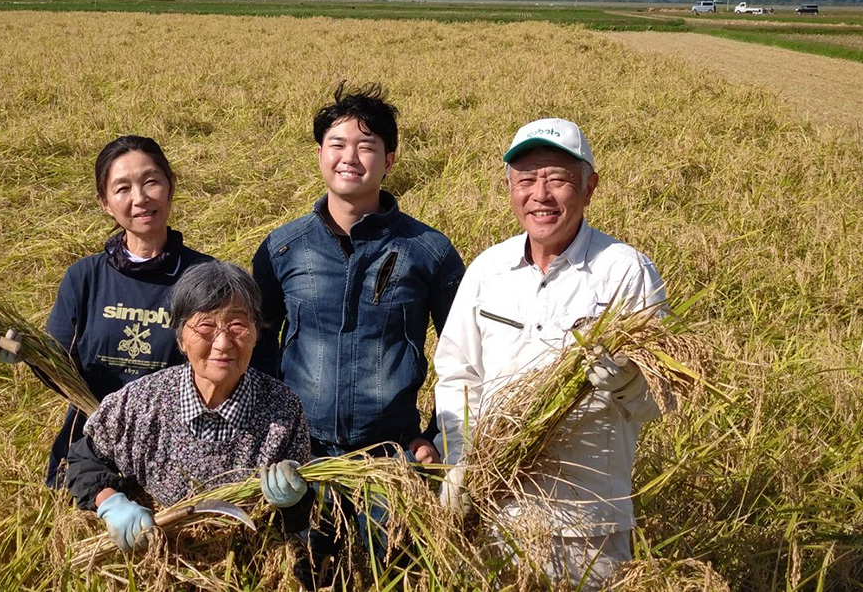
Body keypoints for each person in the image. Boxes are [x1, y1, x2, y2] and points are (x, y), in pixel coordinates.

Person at [433, 118, 667, 591]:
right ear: (509, 187)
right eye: (526, 179)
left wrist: (628, 383)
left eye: (557, 178)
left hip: (588, 522)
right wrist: (458, 460)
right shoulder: (488, 270)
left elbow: (662, 398)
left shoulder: (625, 272)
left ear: (589, 187)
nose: (540, 194)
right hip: (498, 511)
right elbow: (457, 373)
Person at [250, 82, 465, 556]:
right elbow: (258, 353)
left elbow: (464, 357)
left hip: (390, 462)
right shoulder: (282, 248)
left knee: (385, 570)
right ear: (319, 153)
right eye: (337, 145)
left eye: (367, 147)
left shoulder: (428, 252)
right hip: (301, 461)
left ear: (389, 160)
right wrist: (266, 446)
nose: (350, 157)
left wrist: (434, 439)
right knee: (304, 570)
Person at [0, 135, 213, 488]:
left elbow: (226, 371)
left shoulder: (205, 278)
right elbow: (62, 373)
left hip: (174, 455)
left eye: (151, 181)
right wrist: (31, 356)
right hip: (87, 450)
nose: (140, 198)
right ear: (104, 202)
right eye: (122, 188)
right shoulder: (84, 277)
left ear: (170, 186)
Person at [65, 261, 313, 552]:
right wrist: (111, 503)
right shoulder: (143, 401)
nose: (222, 343)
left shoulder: (282, 410)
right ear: (181, 337)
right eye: (206, 325)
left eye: (237, 325)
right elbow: (83, 461)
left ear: (256, 333)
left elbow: (300, 517)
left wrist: (294, 499)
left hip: (247, 569)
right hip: (155, 563)